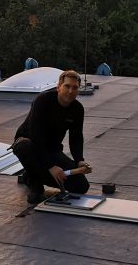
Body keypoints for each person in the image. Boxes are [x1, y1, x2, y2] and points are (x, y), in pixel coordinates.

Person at [12, 69, 92, 204]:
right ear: (58, 87)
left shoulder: (77, 109)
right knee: (24, 147)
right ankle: (35, 183)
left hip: (52, 150)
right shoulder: (43, 101)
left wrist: (79, 160)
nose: (70, 91)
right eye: (67, 86)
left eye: (75, 88)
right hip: (30, 143)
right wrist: (51, 167)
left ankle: (31, 173)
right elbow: (35, 134)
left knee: (81, 186)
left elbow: (76, 137)